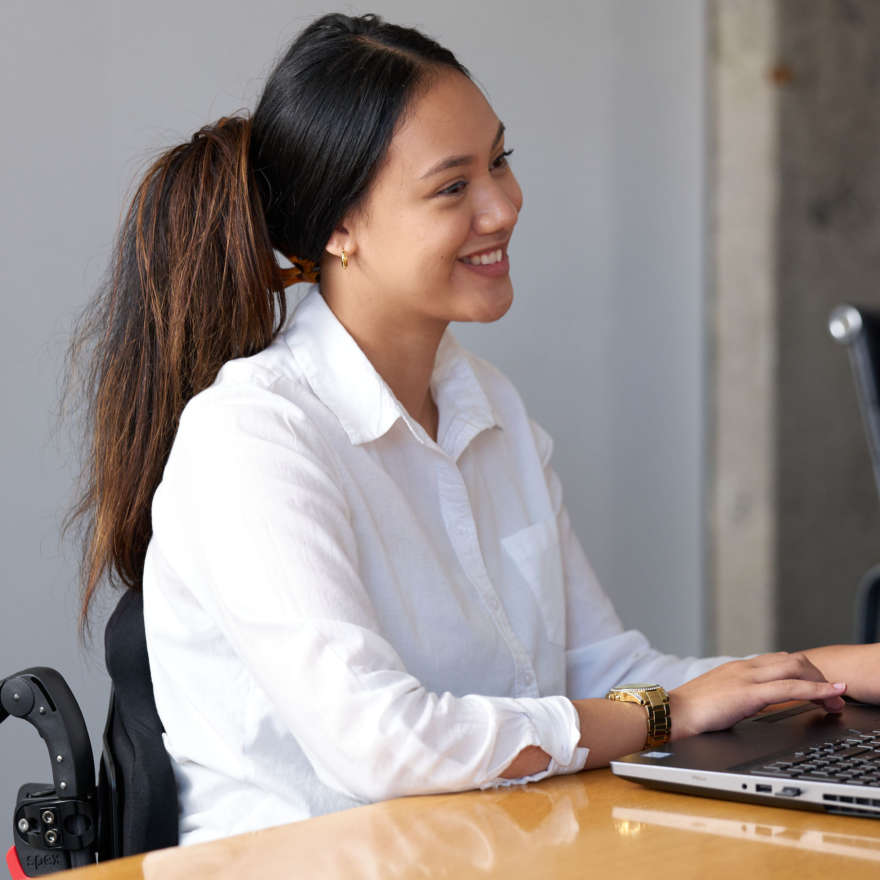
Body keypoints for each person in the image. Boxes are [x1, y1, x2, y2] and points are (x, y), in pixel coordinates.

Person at [70, 12, 879, 846]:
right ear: (337, 230)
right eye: (453, 187)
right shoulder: (253, 438)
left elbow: (602, 676)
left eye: (500, 160)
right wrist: (662, 713)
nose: (502, 206)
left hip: (479, 850)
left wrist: (828, 671)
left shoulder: (486, 406)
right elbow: (383, 746)